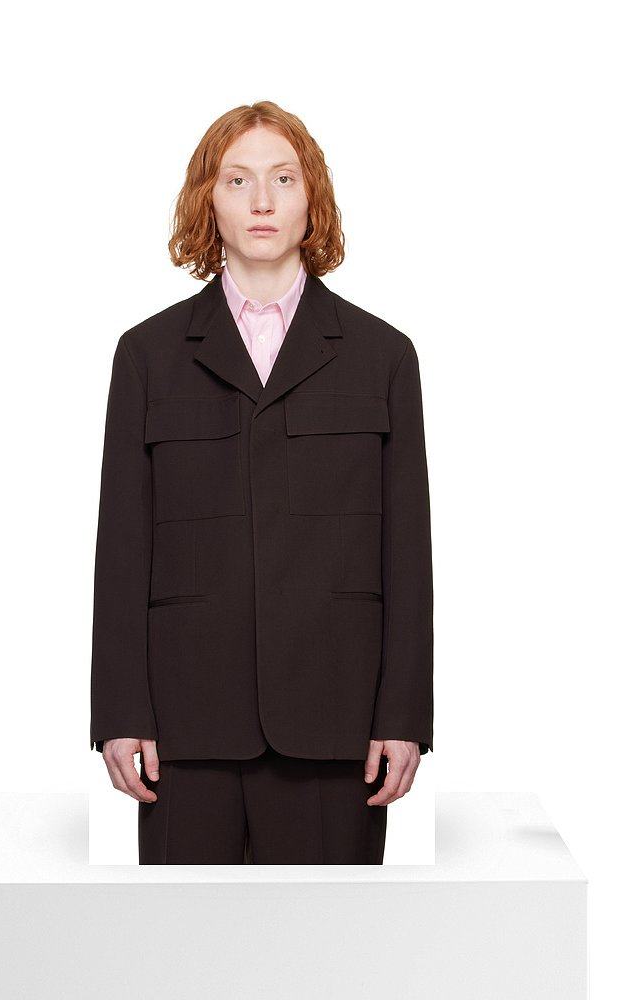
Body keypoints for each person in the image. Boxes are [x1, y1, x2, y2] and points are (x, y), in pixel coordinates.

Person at [90, 101, 433, 864]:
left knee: (327, 939)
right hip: (185, 722)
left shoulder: (383, 356)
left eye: (283, 178)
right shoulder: (148, 356)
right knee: (186, 940)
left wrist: (404, 715)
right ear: (207, 199)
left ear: (312, 196)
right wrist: (119, 710)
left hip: (337, 718)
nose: (262, 201)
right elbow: (123, 544)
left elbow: (408, 552)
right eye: (237, 180)